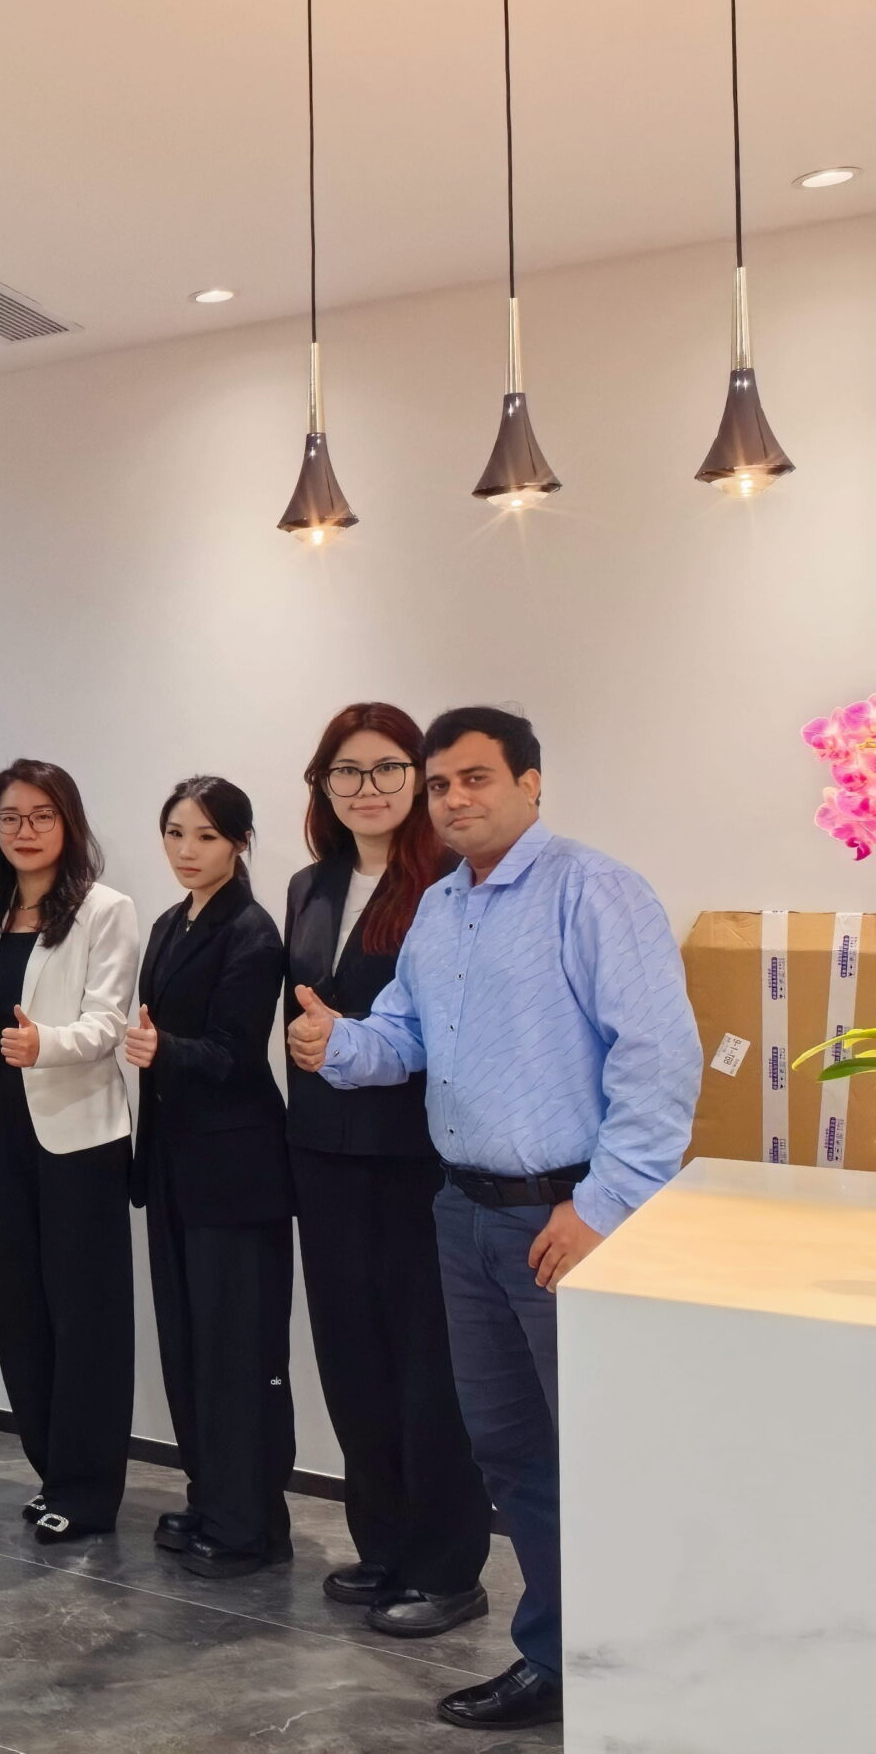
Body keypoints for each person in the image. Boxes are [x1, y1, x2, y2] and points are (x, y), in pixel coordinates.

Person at [292, 707, 700, 1732]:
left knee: (600, 1457)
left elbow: (657, 1060)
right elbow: (405, 1036)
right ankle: (556, 1661)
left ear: (531, 783)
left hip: (566, 1222)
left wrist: (600, 1206)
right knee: (513, 1458)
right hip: (462, 1215)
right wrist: (340, 1045)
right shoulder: (439, 907)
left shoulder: (594, 891)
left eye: (475, 778)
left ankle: (640, 1676)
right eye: (440, 785)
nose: (453, 799)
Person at [283, 706, 493, 1641]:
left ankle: (446, 1568)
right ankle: (383, 1544)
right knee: (351, 1358)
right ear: (323, 785)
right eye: (346, 771)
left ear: (418, 777)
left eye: (386, 769)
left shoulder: (450, 883)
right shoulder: (311, 884)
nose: (365, 788)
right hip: (321, 1152)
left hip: (417, 1159)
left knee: (426, 1369)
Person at [0, 759, 141, 1545]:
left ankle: (88, 1491)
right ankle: (51, 1470)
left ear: (69, 823)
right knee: (21, 1313)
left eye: (41, 816)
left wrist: (46, 1045)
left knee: (86, 1318)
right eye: (10, 817)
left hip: (81, 1141)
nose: (24, 830)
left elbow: (107, 1022)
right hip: (5, 1138)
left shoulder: (106, 910)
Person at [123, 776, 293, 1580]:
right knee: (188, 1342)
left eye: (206, 836)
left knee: (237, 1350)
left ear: (239, 843)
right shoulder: (169, 923)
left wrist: (164, 1051)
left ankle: (247, 1524)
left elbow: (235, 1053)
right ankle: (211, 1497)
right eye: (175, 833)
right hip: (173, 1163)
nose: (186, 851)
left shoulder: (252, 933)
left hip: (235, 1171)